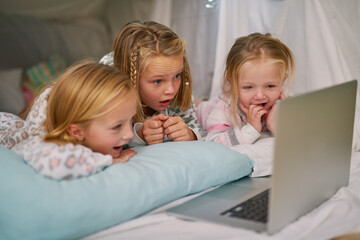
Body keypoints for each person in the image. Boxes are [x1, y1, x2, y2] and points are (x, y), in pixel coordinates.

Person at [0, 62, 139, 180]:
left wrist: (141, 133)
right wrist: (107, 161)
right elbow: (54, 165)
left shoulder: (98, 128)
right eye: (117, 127)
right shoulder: (45, 144)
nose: (129, 134)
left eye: (131, 120)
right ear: (77, 132)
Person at [100, 20, 203, 146]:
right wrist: (139, 135)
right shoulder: (108, 92)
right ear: (131, 78)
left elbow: (197, 128)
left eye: (177, 75)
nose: (171, 89)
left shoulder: (178, 87)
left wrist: (190, 134)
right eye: (158, 81)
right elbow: (101, 143)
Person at [203, 33, 295, 146]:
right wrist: (251, 129)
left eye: (270, 86)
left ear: (282, 81)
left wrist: (277, 126)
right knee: (203, 105)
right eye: (248, 87)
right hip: (206, 110)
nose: (260, 96)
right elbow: (212, 143)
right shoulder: (225, 107)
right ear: (232, 84)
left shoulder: (285, 100)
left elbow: (304, 135)